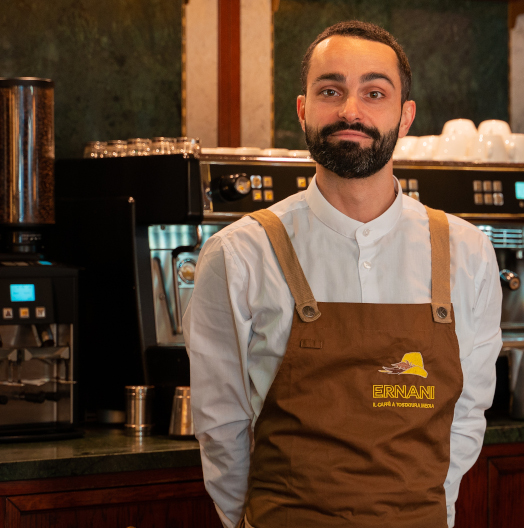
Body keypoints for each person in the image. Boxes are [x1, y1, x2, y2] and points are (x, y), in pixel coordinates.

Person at [184, 20, 502, 528]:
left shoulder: (468, 252)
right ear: (303, 108)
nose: (351, 110)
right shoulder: (239, 252)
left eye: (374, 92)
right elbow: (221, 424)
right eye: (330, 90)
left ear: (405, 116)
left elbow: (466, 415)